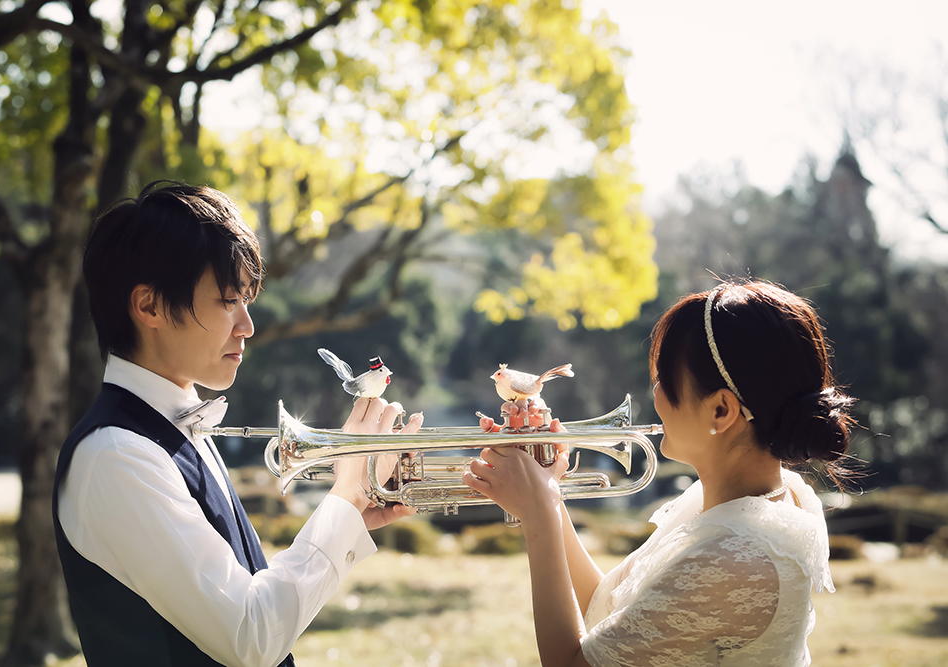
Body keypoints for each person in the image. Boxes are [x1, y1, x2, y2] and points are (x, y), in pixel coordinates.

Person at [53, 181, 422, 667]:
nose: (247, 325)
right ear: (149, 307)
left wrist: (355, 515)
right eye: (228, 302)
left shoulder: (174, 421)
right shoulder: (117, 456)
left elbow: (243, 596)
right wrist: (346, 493)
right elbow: (251, 636)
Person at [463, 280, 855, 666]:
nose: (656, 397)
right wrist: (548, 489)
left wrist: (539, 514)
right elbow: (605, 605)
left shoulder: (737, 557)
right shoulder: (748, 500)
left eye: (665, 381)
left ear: (721, 411)